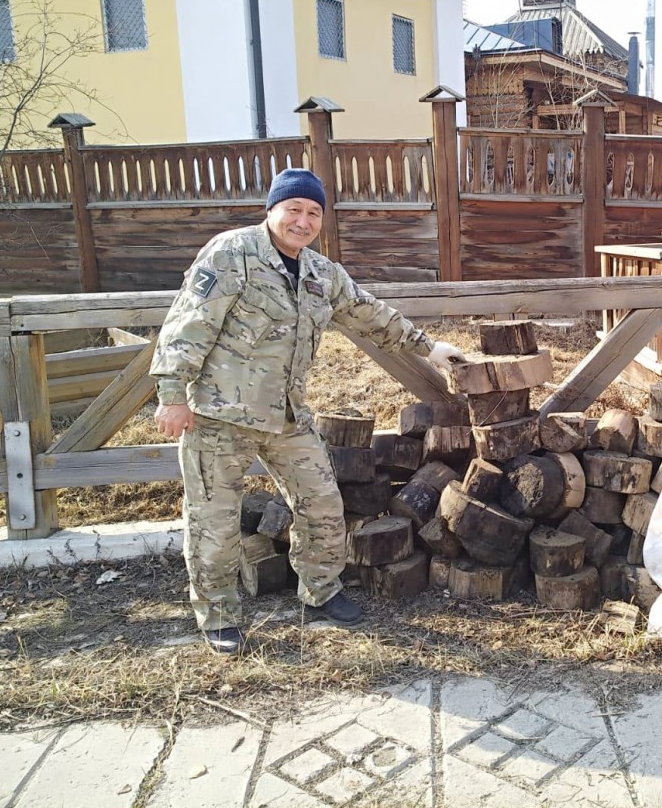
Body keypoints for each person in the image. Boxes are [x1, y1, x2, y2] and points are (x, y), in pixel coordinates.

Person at [151, 168, 463, 655]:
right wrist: (171, 393)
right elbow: (188, 323)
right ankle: (218, 616)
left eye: (313, 212)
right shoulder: (232, 253)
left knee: (322, 504)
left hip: (288, 419)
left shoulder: (321, 273)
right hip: (219, 417)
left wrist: (428, 347)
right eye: (293, 208)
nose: (302, 220)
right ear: (272, 210)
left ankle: (320, 593)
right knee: (213, 522)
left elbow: (369, 312)